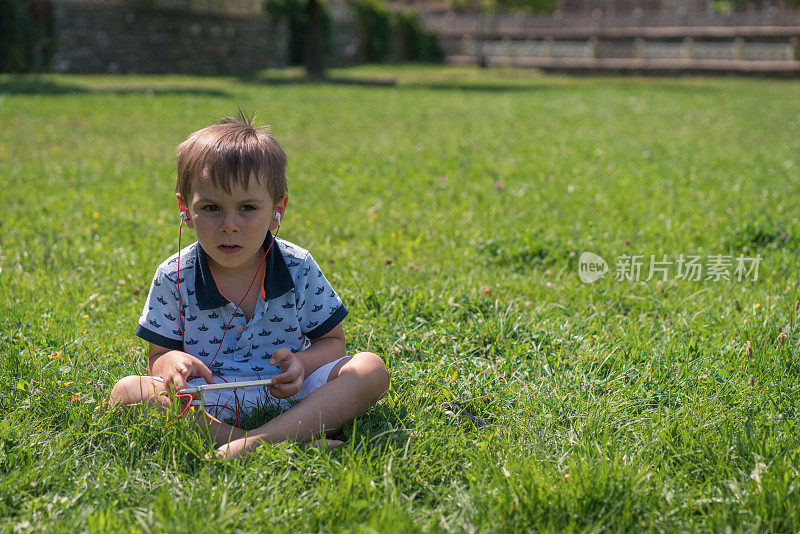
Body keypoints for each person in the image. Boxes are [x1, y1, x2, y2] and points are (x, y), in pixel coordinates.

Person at [109, 112, 390, 461]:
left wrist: (302, 363)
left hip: (290, 391)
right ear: (185, 209)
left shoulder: (297, 265)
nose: (230, 225)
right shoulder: (173, 276)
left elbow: (332, 343)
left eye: (247, 208)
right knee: (128, 392)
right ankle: (268, 443)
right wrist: (171, 362)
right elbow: (157, 357)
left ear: (277, 209)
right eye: (211, 207)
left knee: (369, 368)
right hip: (209, 398)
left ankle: (254, 444)